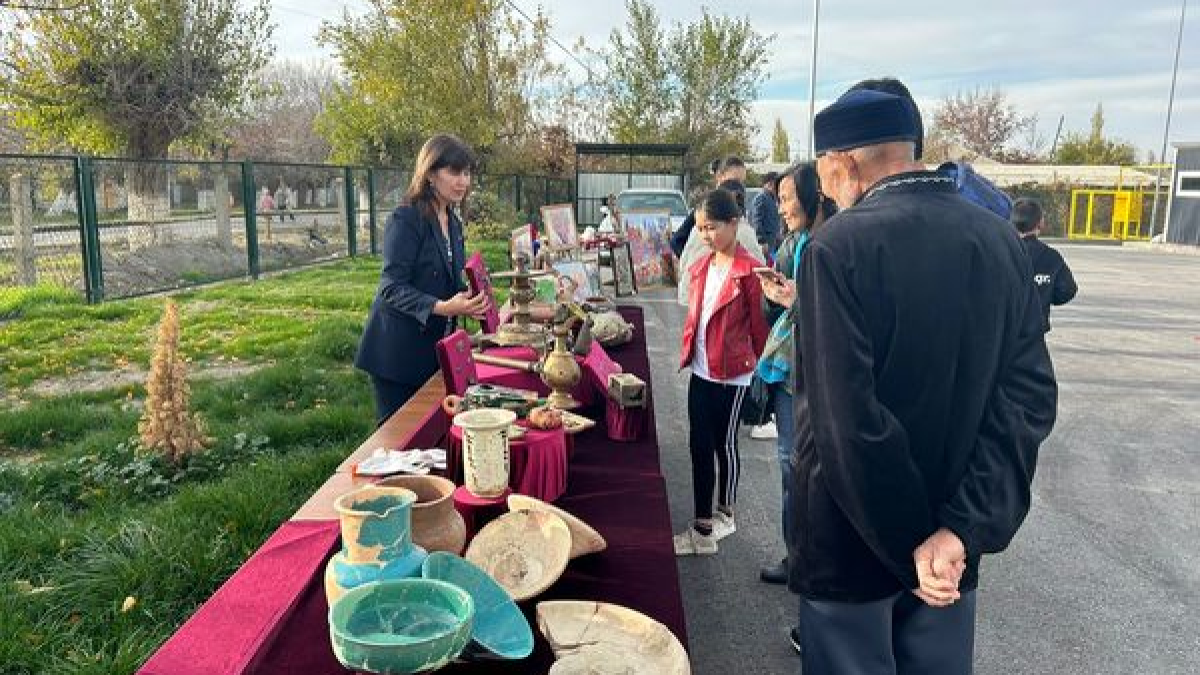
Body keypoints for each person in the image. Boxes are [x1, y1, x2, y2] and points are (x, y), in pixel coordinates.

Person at [766, 86, 1057, 673]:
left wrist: (910, 546)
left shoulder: (837, 247)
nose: (823, 185)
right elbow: (1027, 399)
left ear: (843, 163)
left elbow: (846, 421)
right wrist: (957, 531)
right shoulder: (1001, 241)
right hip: (950, 550)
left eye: (823, 169)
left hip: (851, 544)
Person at [354, 134, 490, 425]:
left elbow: (446, 280)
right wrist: (442, 307)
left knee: (430, 438)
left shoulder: (452, 221)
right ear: (429, 173)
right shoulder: (406, 218)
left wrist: (471, 299)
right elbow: (391, 287)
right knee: (399, 443)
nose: (463, 182)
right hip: (396, 354)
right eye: (454, 172)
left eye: (466, 173)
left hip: (433, 351)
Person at [674, 187, 768, 557]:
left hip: (733, 374)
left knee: (723, 444)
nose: (704, 235)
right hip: (701, 370)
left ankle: (726, 512)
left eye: (711, 227)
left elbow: (761, 331)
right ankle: (701, 527)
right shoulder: (701, 268)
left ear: (734, 223)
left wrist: (753, 368)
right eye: (700, 228)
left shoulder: (750, 273)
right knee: (698, 446)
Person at [755, 163, 835, 586]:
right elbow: (780, 311)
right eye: (779, 198)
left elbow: (836, 316)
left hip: (822, 375)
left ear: (815, 195)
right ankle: (794, 556)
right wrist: (774, 295)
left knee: (816, 473)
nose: (781, 207)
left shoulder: (835, 242)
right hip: (788, 373)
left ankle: (813, 564)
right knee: (790, 465)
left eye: (787, 198)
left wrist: (798, 301)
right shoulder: (794, 242)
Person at [1012, 197, 1077, 330]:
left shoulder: (1000, 252)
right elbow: (1067, 291)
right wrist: (1045, 294)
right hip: (1034, 335)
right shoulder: (1051, 257)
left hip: (1002, 335)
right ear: (1040, 223)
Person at [751, 171, 783, 256]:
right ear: (770, 184)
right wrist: (761, 241)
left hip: (774, 242)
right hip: (766, 243)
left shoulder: (772, 198)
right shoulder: (761, 198)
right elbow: (756, 221)